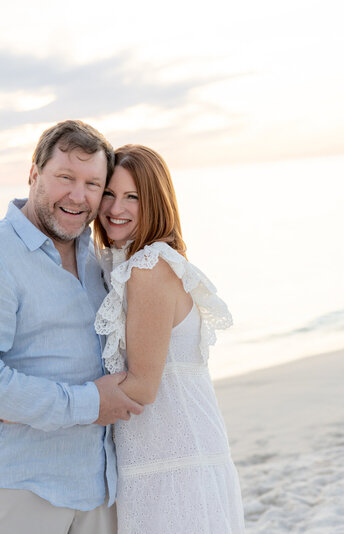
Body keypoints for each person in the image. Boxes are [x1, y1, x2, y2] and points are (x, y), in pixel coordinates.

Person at [0, 120, 143, 534]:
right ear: (34, 174)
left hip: (96, 486)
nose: (78, 196)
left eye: (93, 184)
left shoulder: (95, 258)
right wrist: (87, 404)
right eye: (65, 177)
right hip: (22, 487)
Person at [93, 144, 245, 533]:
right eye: (108, 194)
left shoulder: (150, 267)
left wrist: (42, 401)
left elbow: (142, 387)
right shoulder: (127, 263)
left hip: (176, 461)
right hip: (159, 456)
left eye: (132, 197)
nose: (115, 209)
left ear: (156, 203)